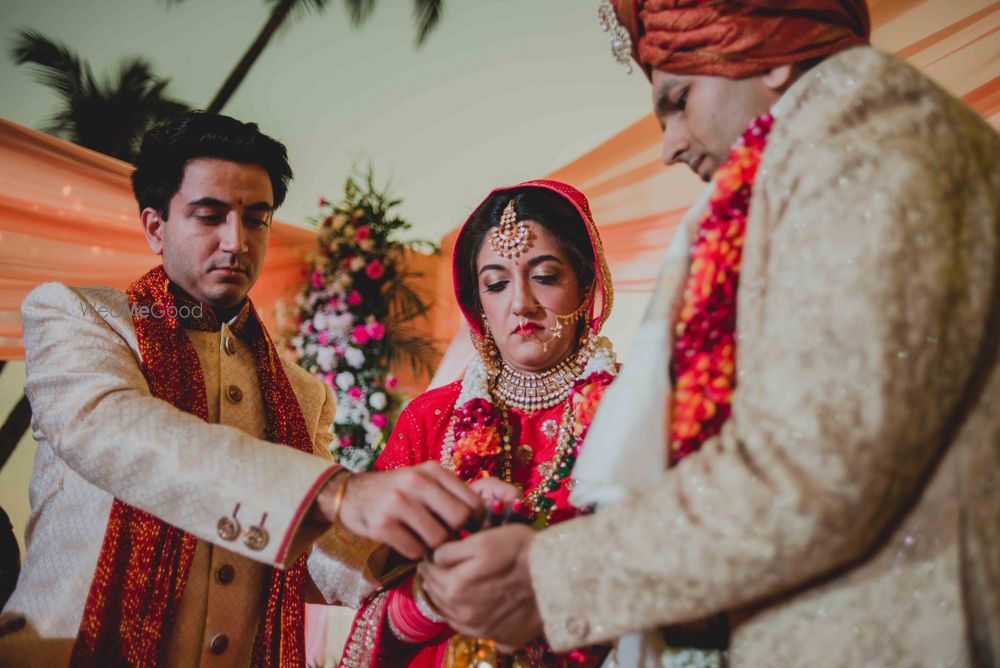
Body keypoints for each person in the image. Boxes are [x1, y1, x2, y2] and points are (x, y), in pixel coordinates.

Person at [419, 2, 1000, 666]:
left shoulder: (869, 147)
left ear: (775, 54)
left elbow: (812, 471)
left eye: (678, 100)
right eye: (495, 283)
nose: (668, 144)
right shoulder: (827, 154)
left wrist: (548, 577)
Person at [0, 111, 483, 667]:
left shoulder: (300, 392)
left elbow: (317, 553)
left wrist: (435, 551)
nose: (237, 241)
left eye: (257, 220)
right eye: (210, 216)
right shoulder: (81, 318)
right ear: (155, 227)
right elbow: (108, 428)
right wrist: (338, 493)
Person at [339, 180, 618, 667]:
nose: (521, 303)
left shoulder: (637, 411)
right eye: (496, 283)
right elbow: (369, 591)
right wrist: (434, 595)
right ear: (478, 305)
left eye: (546, 275)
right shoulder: (430, 419)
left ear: (587, 285)